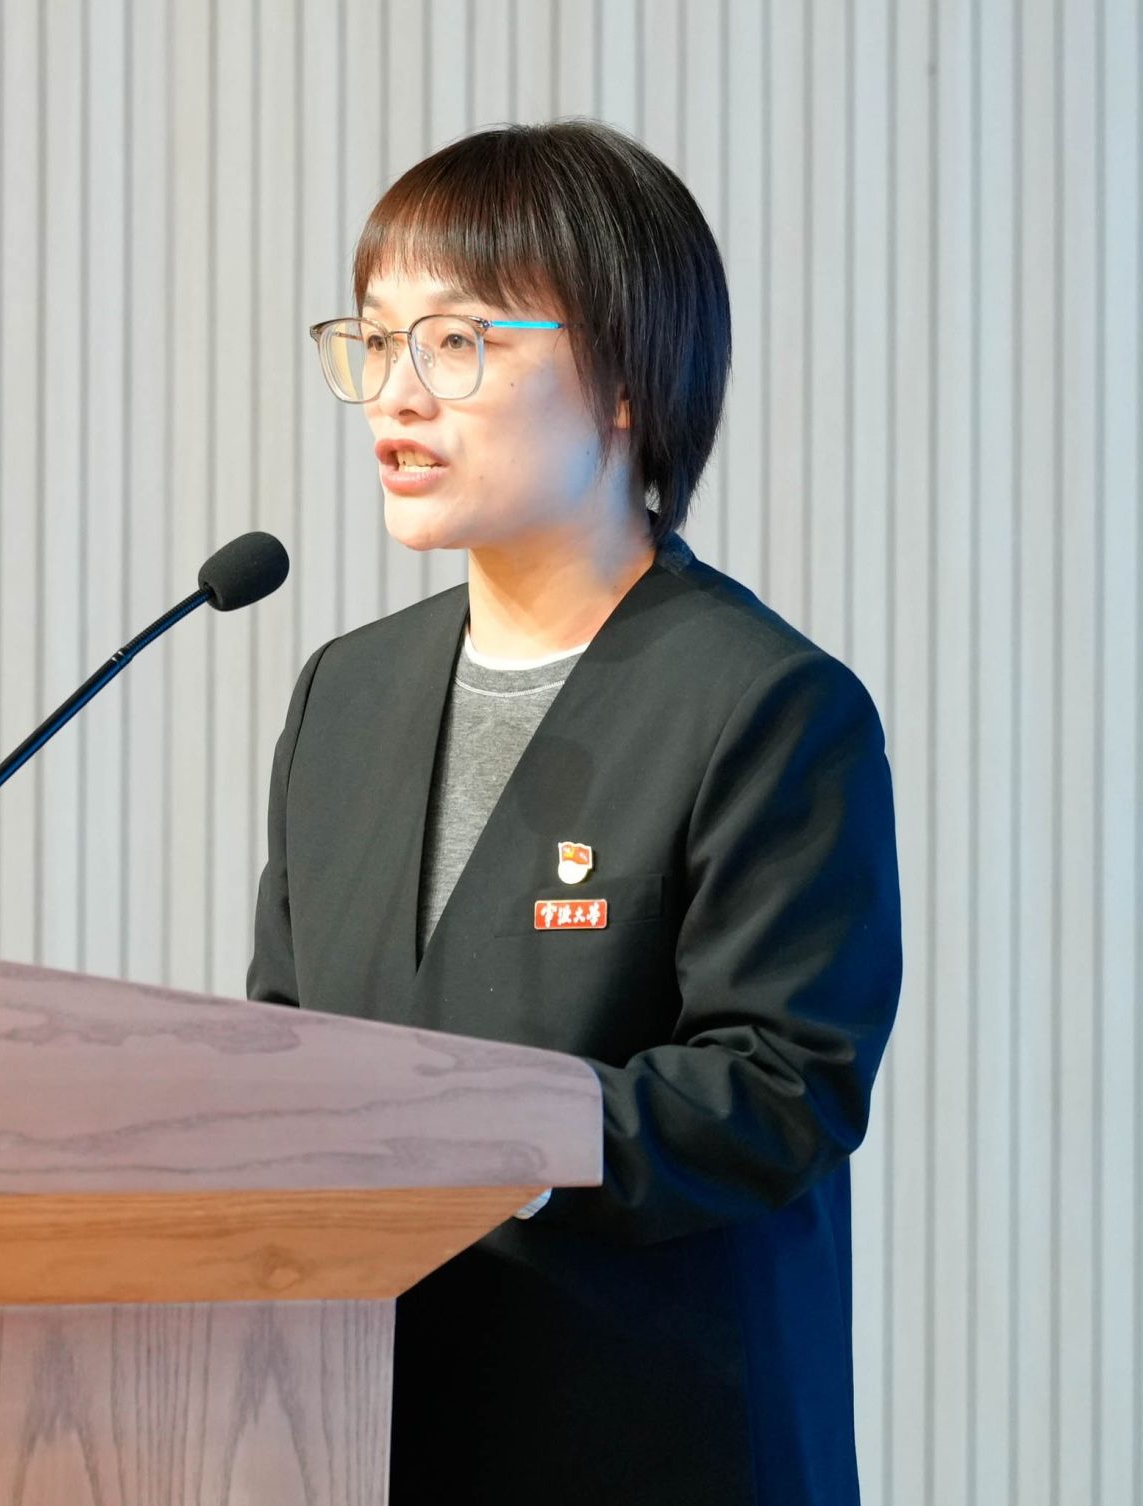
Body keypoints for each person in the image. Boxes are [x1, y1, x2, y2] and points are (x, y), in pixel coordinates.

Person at [246, 119, 901, 1504]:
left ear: (622, 381)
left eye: (457, 342)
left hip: (648, 1434)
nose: (397, 395)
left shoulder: (766, 703)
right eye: (376, 341)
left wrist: (497, 1128)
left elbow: (782, 1085)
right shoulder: (345, 694)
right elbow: (284, 1042)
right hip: (362, 1427)